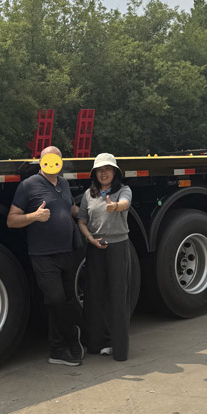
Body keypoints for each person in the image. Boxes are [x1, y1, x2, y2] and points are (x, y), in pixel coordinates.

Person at [6, 145, 84, 367]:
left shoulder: (63, 183)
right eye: (48, 159)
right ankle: (71, 336)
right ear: (41, 161)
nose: (52, 164)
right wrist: (34, 216)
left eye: (56, 160)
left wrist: (89, 211)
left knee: (67, 300)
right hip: (43, 255)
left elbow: (70, 208)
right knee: (55, 299)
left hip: (68, 250)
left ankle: (57, 350)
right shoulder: (28, 185)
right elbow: (11, 220)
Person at [77, 152, 132, 362]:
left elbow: (125, 203)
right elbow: (82, 220)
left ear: (115, 172)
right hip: (95, 248)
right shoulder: (88, 195)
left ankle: (119, 349)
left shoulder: (123, 191)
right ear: (95, 174)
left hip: (117, 247)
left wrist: (114, 206)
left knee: (117, 297)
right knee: (93, 296)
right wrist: (90, 239)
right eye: (100, 170)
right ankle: (96, 343)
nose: (104, 173)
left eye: (107, 169)